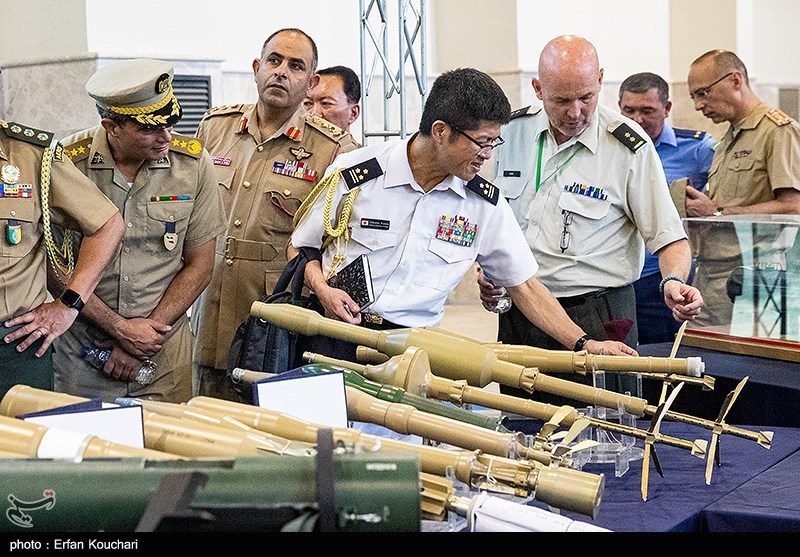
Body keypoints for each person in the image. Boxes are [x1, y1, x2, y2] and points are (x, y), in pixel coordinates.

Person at [290, 67, 635, 367]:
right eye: (481, 143)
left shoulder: (481, 203)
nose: (487, 156)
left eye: (493, 144)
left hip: (413, 350)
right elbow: (300, 249)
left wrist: (584, 343)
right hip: (334, 336)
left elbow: (525, 285)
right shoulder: (357, 175)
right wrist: (323, 290)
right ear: (441, 132)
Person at [481, 35, 703, 401]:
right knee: (522, 428)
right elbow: (495, 221)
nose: (575, 112)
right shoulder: (511, 133)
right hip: (521, 314)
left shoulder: (628, 147)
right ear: (538, 88)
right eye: (561, 100)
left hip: (598, 317)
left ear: (601, 80)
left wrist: (673, 280)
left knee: (604, 435)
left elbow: (670, 238)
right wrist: (488, 271)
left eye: (586, 97)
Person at [190, 28, 360, 401]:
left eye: (295, 66)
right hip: (207, 307)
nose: (281, 72)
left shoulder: (333, 148)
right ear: (256, 68)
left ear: (310, 81)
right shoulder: (215, 128)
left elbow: (341, 247)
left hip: (274, 322)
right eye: (274, 61)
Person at [50, 58, 226, 403]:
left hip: (162, 357)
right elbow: (54, 267)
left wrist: (144, 339)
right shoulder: (67, 163)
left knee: (169, 454)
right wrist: (120, 329)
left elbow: (201, 263)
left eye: (170, 123)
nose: (166, 137)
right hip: (83, 357)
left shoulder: (192, 164)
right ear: (111, 126)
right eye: (149, 129)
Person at [0, 119, 124, 400]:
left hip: (12, 351)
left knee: (25, 442)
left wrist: (69, 304)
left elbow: (107, 225)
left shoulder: (32, 155)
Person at [684, 50, 800, 328]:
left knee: (740, 367)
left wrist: (718, 211)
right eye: (694, 97)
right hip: (710, 274)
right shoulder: (728, 138)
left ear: (735, 80)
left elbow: (794, 206)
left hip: (749, 279)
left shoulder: (777, 131)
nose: (699, 105)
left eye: (703, 93)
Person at [618, 72, 715, 344]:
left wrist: (711, 210)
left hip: (661, 278)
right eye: (629, 110)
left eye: (647, 110)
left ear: (667, 109)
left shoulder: (697, 148)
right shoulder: (611, 148)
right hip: (617, 278)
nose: (637, 119)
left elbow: (721, 202)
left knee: (659, 359)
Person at [303, 65, 361, 135]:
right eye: (307, 103)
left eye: (325, 103)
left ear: (353, 113)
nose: (314, 114)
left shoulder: (366, 146)